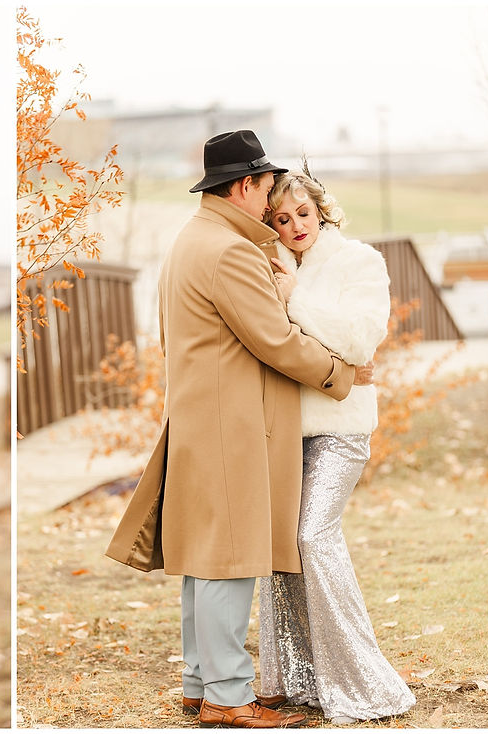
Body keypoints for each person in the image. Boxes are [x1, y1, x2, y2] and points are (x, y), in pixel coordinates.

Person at [106, 130, 373, 729]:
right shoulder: (229, 251)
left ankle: (202, 687)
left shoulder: (191, 240)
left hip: (203, 419)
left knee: (205, 562)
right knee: (228, 562)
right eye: (266, 187)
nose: (272, 198)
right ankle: (228, 698)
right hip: (232, 426)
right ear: (245, 186)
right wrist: (343, 372)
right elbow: (275, 340)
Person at [257, 164, 416, 724]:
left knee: (312, 536)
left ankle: (365, 682)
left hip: (340, 430)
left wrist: (295, 299)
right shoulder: (270, 263)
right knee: (282, 549)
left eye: (302, 212)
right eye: (281, 218)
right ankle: (300, 679)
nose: (295, 225)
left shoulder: (359, 262)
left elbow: (359, 338)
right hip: (282, 430)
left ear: (321, 210)